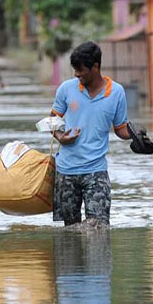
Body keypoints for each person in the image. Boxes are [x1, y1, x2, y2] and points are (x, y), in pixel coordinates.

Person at [50, 41, 132, 226]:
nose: (76, 74)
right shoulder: (66, 89)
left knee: (99, 228)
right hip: (65, 172)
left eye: (80, 69)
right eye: (75, 69)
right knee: (70, 234)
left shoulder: (116, 92)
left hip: (97, 171)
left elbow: (120, 129)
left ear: (95, 67)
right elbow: (51, 121)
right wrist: (60, 137)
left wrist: (135, 135)